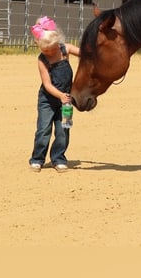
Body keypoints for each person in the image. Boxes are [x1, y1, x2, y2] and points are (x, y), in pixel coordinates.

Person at [28, 16, 80, 172]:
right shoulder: (42, 59)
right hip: (47, 101)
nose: (48, 53)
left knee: (64, 129)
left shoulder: (67, 49)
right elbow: (47, 84)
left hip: (66, 102)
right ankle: (37, 159)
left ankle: (58, 158)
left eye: (51, 49)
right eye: (44, 50)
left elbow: (86, 54)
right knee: (43, 130)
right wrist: (60, 96)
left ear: (58, 41)